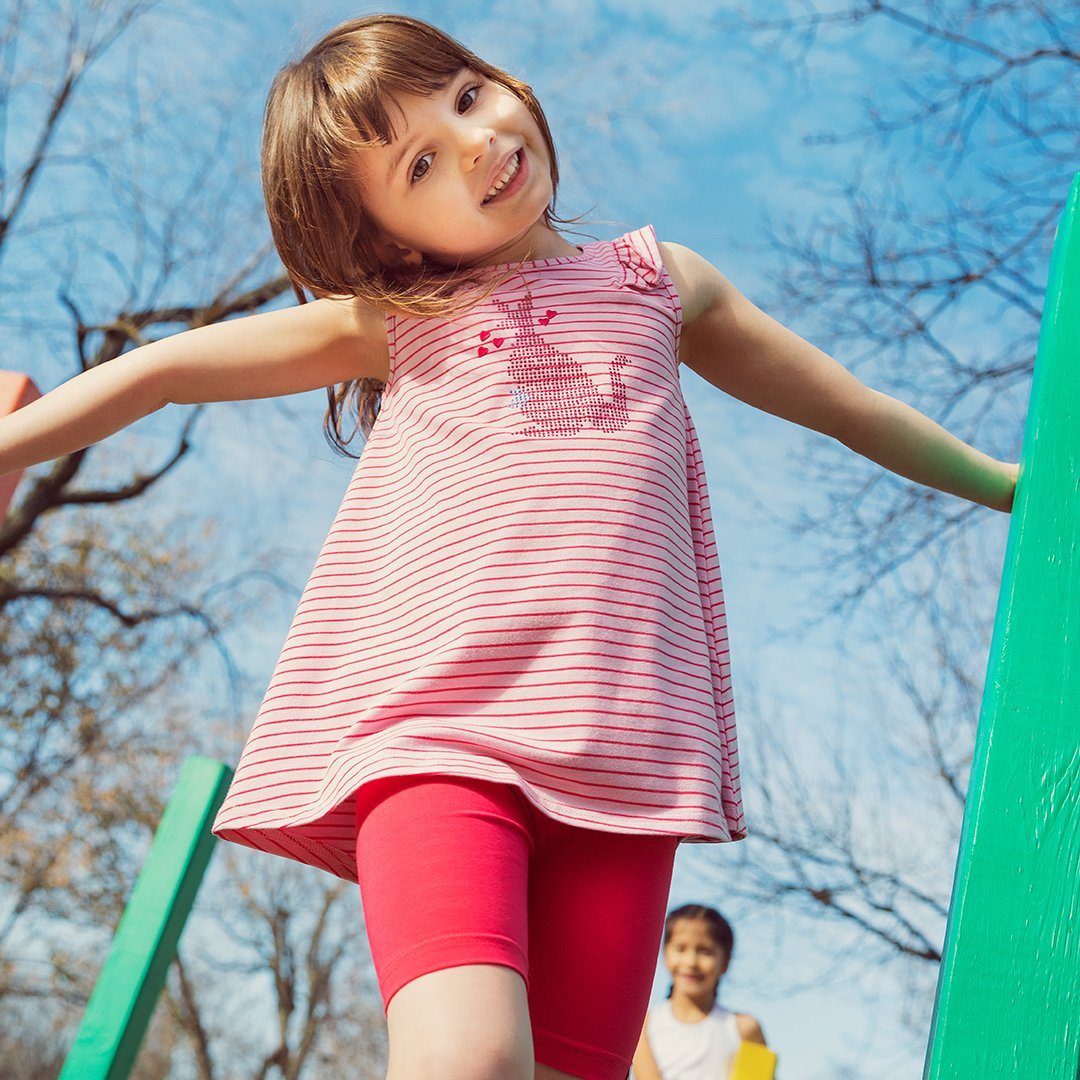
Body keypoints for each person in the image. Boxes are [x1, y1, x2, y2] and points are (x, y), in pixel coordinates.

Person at [0, 13, 1019, 1080]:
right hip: (441, 735)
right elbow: (161, 370)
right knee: (469, 1057)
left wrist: (1005, 485)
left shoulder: (661, 283)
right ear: (392, 237)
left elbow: (846, 405)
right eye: (421, 162)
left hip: (629, 764)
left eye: (467, 97)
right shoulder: (402, 318)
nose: (475, 142)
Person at [631, 905, 767, 1079]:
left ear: (725, 962)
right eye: (680, 948)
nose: (691, 962)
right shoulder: (643, 1026)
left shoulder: (745, 1029)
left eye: (705, 951)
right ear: (665, 954)